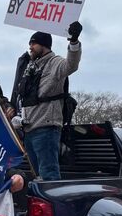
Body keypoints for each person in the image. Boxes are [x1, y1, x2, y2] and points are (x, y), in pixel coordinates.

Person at [9, 22, 83, 180]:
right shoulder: (31, 67)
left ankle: (54, 205)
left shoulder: (55, 63)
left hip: (46, 130)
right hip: (29, 130)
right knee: (37, 175)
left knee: (49, 176)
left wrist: (74, 42)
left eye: (33, 43)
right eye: (30, 43)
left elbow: (72, 65)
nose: (30, 47)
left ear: (44, 45)